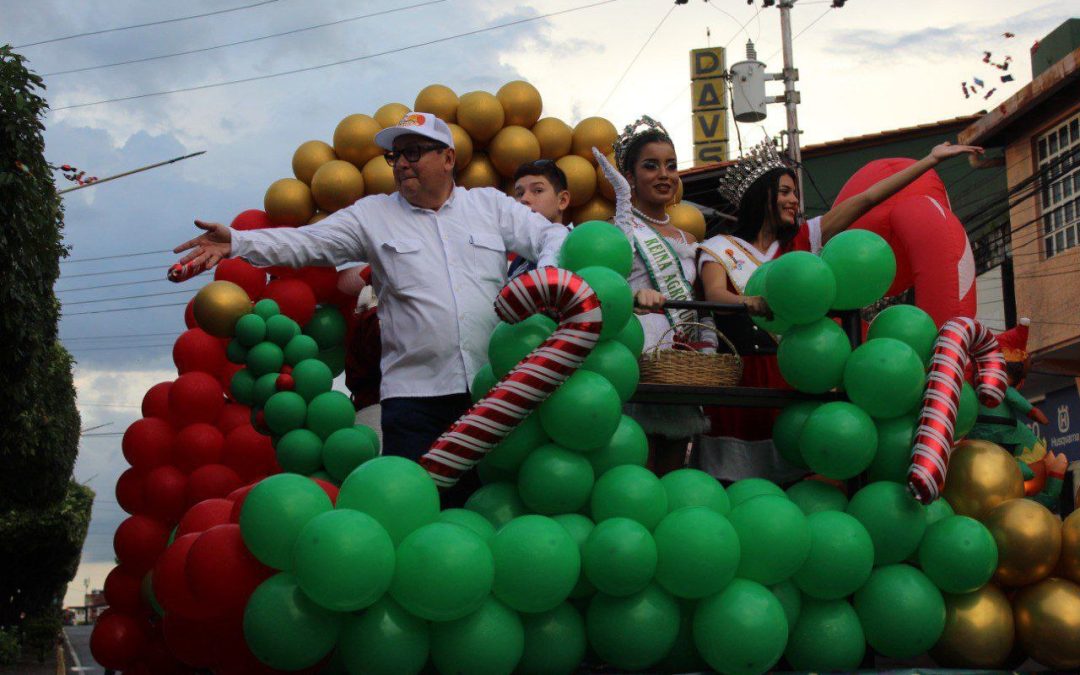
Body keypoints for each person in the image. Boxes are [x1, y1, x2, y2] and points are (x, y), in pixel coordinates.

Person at [174, 111, 568, 504]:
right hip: (415, 404)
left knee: (495, 508)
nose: (402, 164)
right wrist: (238, 243)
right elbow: (307, 243)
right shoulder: (373, 215)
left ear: (448, 159)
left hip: (492, 393)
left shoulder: (489, 206)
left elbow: (550, 236)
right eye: (395, 156)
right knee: (419, 517)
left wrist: (545, 278)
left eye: (413, 152)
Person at [692, 139, 984, 482]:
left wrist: (929, 159)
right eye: (784, 192)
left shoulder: (802, 240)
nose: (793, 201)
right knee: (732, 477)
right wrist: (750, 301)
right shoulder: (718, 248)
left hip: (797, 373)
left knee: (794, 474)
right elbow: (714, 293)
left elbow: (867, 199)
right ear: (761, 195)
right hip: (743, 374)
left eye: (794, 194)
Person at [594, 115, 709, 475]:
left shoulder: (688, 241)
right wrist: (632, 296)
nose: (664, 174)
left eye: (671, 166)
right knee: (634, 469)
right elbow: (601, 293)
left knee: (674, 471)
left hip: (676, 362)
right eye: (651, 165)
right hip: (633, 357)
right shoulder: (614, 234)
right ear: (628, 177)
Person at [508, 159, 572, 280]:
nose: (524, 199)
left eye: (538, 190)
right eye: (520, 193)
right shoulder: (518, 260)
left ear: (562, 200)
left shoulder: (576, 244)